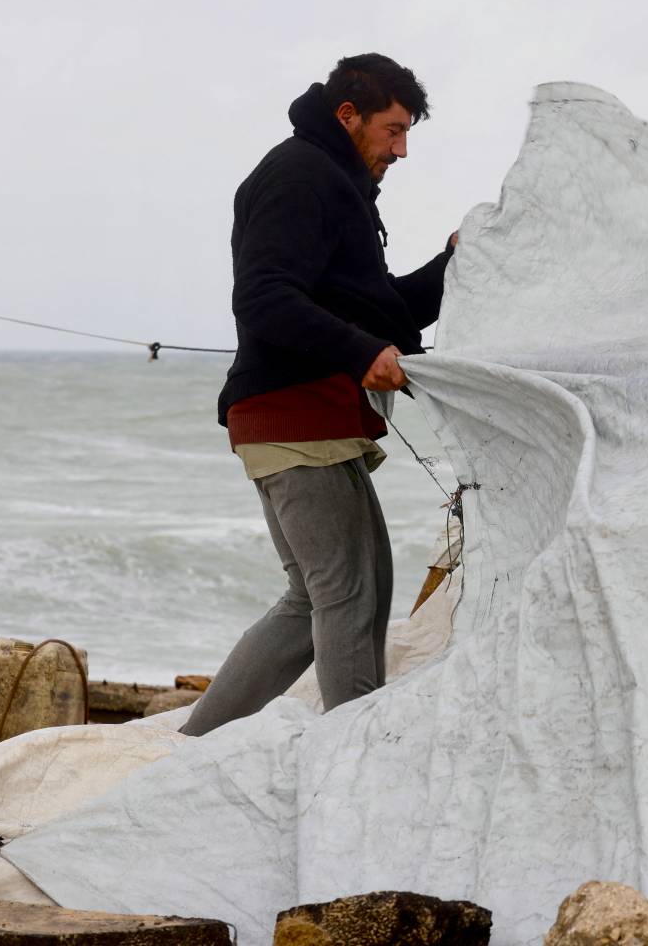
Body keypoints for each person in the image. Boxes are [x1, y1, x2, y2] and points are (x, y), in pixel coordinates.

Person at [181, 54, 455, 737]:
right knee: (352, 596)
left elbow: (385, 310)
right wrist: (362, 353)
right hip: (296, 411)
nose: (402, 149)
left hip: (297, 415)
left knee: (316, 600)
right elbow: (265, 297)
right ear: (348, 115)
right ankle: (356, 757)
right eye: (393, 130)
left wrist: (460, 259)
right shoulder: (299, 174)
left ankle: (192, 746)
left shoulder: (337, 182)